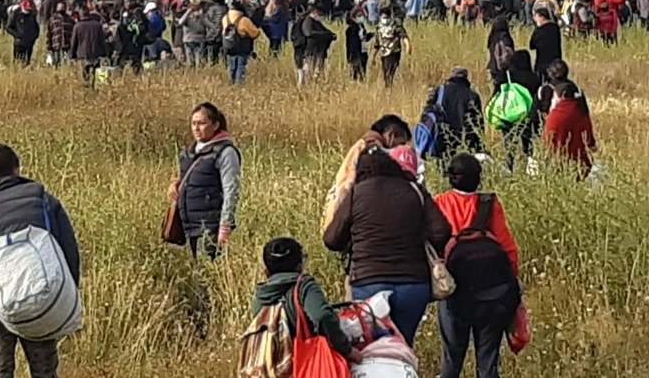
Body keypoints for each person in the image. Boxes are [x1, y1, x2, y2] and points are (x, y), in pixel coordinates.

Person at [0, 144, 80, 378]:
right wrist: (66, 300)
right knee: (45, 373)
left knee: (0, 374)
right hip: (41, 302)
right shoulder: (45, 202)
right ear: (17, 170)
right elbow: (69, 252)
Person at [323, 145, 452, 346]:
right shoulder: (414, 190)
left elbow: (331, 239)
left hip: (368, 282)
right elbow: (442, 231)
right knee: (403, 345)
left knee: (370, 347)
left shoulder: (356, 193)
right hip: (413, 284)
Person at [434, 154, 521, 378]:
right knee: (488, 363)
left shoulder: (439, 203)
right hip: (491, 294)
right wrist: (510, 286)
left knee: (451, 362)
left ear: (450, 179)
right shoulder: (489, 204)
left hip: (454, 291)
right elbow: (508, 249)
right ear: (478, 179)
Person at [249, 236, 359, 366]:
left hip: (272, 367)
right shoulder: (304, 286)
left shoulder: (261, 296)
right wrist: (347, 350)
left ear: (266, 272)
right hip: (305, 363)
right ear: (300, 267)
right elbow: (322, 315)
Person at [167, 103, 241, 260]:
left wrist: (225, 227)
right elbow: (192, 178)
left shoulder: (225, 152)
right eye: (193, 123)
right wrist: (175, 183)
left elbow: (231, 191)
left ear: (215, 125)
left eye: (201, 123)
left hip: (209, 227)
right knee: (196, 276)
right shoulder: (191, 151)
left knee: (205, 278)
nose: (196, 128)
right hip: (189, 226)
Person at [425, 67, 484, 162]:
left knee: (442, 167)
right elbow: (477, 123)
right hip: (464, 142)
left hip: (441, 138)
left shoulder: (440, 91)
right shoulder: (472, 95)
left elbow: (427, 113)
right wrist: (478, 147)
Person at [543, 80, 597, 179]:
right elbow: (590, 143)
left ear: (562, 96)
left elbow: (547, 142)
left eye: (554, 97)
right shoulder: (582, 112)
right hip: (581, 165)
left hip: (559, 165)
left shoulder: (555, 115)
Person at [69, 1, 109, 86]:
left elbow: (73, 42)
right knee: (96, 74)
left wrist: (72, 55)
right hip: (96, 54)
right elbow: (102, 41)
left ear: (80, 14)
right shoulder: (97, 25)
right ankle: (94, 89)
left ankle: (86, 90)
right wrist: (105, 54)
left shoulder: (77, 26)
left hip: (82, 55)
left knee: (84, 76)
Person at [222, 0, 261, 85]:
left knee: (231, 65)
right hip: (242, 46)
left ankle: (230, 82)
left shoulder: (225, 18)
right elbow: (255, 33)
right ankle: (239, 84)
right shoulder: (244, 20)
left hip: (228, 45)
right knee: (241, 66)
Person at [372, 8, 410, 88]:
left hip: (393, 52)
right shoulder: (379, 28)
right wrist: (373, 57)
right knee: (386, 74)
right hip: (383, 54)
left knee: (390, 73)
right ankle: (388, 88)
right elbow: (377, 44)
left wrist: (408, 46)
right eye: (383, 18)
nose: (385, 20)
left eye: (386, 18)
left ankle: (389, 88)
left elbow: (403, 36)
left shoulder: (395, 26)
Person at [529, 8, 562, 82]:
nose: (534, 19)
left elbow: (531, 45)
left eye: (536, 16)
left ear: (542, 17)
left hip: (542, 62)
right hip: (555, 61)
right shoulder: (555, 28)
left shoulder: (539, 30)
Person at [6, 0, 40, 65]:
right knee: (18, 61)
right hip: (19, 43)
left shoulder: (32, 15)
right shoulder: (15, 14)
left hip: (29, 43)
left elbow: (36, 28)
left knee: (27, 62)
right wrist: (18, 35)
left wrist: (34, 37)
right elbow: (8, 27)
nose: (28, 10)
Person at [486, 16, 515, 90]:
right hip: (502, 68)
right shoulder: (504, 36)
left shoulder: (492, 37)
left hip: (493, 67)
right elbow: (509, 51)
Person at [45, 1, 75, 66]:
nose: (61, 9)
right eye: (59, 8)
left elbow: (73, 33)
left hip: (67, 46)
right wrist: (48, 47)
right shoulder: (52, 19)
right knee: (56, 64)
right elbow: (49, 34)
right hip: (56, 46)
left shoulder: (70, 19)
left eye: (62, 8)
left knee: (67, 65)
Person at [345, 13, 372, 81]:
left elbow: (364, 38)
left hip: (363, 50)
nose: (361, 18)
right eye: (359, 16)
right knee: (355, 71)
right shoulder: (351, 29)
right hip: (356, 53)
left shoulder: (361, 26)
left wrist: (370, 35)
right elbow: (353, 42)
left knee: (363, 70)